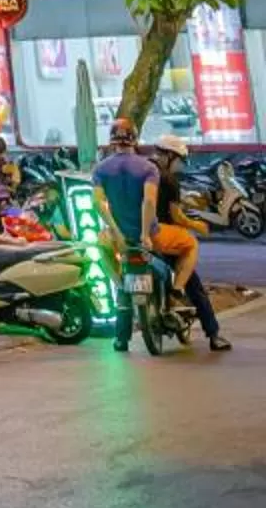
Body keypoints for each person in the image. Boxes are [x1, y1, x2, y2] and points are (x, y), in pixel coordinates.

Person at [145, 136, 232, 351]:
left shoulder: (139, 171)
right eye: (179, 160)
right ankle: (213, 334)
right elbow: (176, 217)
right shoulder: (167, 179)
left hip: (130, 235)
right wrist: (197, 225)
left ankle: (121, 338)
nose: (179, 166)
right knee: (193, 282)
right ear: (170, 155)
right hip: (162, 236)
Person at [93, 119, 158, 351]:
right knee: (171, 258)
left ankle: (121, 334)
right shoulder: (149, 168)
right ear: (135, 139)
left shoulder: (101, 169)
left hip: (118, 239)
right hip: (147, 235)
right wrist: (144, 234)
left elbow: (99, 204)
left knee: (104, 253)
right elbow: (149, 201)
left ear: (111, 141)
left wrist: (117, 233)